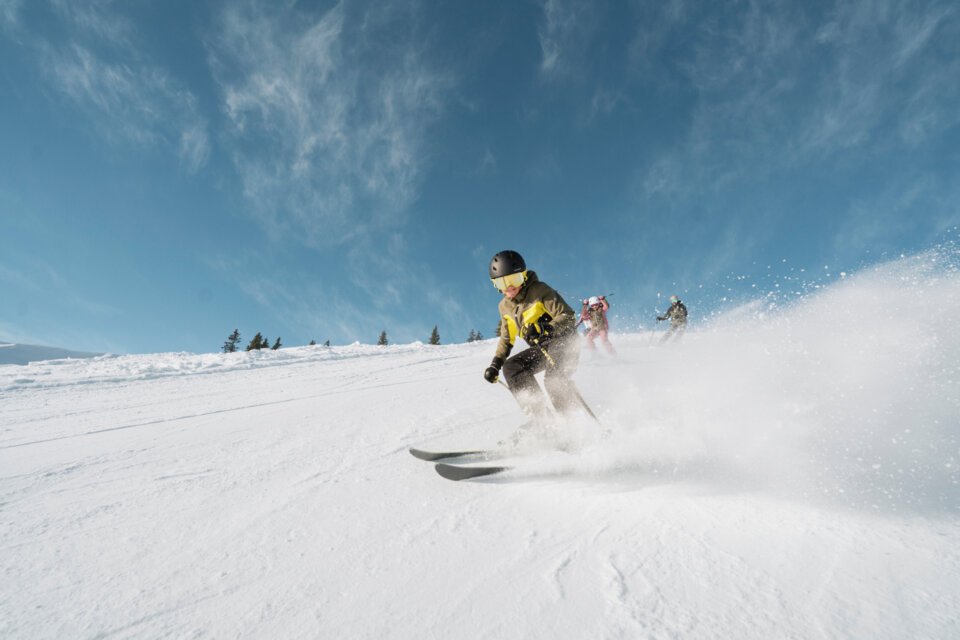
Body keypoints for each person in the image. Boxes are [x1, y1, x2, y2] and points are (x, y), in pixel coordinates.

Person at [483, 250, 581, 431]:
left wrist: (546, 328)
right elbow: (506, 338)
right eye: (501, 283)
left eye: (514, 279)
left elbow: (568, 316)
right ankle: (543, 421)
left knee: (554, 379)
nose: (509, 288)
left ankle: (572, 424)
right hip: (543, 348)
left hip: (564, 342)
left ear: (523, 275)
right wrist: (495, 364)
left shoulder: (539, 290)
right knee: (512, 367)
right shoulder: (504, 307)